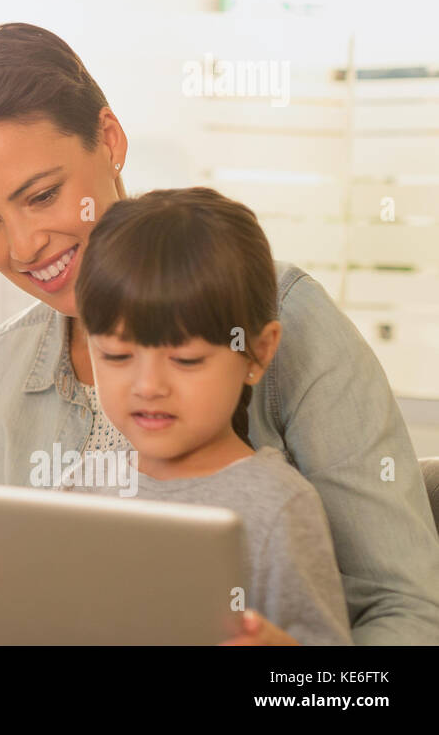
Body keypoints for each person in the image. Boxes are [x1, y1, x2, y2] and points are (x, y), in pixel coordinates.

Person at [0, 22, 439, 644]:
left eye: (44, 195)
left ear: (109, 140)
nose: (24, 246)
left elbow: (407, 609)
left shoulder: (285, 314)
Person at [70, 186, 352, 645]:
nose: (148, 386)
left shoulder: (277, 507)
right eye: (117, 356)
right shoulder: (81, 485)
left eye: (186, 360)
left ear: (257, 353)